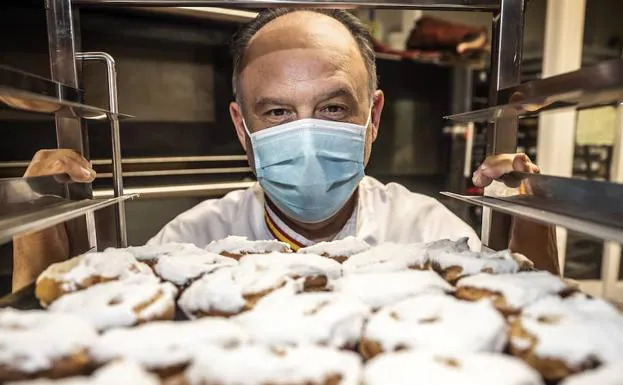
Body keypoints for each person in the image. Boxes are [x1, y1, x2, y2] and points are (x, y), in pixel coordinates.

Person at [12, 9, 558, 291]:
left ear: (374, 119)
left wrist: (535, 217)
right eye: (276, 112)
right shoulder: (191, 243)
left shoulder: (429, 234)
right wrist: (37, 229)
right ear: (241, 126)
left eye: (333, 109)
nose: (305, 133)